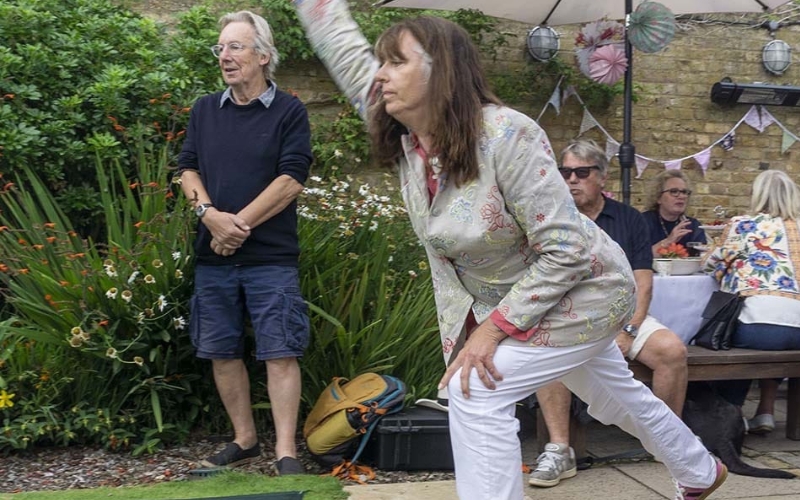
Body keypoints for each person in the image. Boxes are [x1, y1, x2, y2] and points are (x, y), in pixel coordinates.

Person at [292, 2, 726, 499]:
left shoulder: (507, 134)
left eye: (396, 62)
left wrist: (492, 333)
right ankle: (699, 470)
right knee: (613, 398)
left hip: (586, 289)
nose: (381, 76)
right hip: (523, 301)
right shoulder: (414, 143)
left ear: (441, 73)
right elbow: (346, 55)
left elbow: (565, 249)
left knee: (474, 391)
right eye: (382, 63)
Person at [176, 10, 313, 475]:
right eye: (221, 48)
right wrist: (209, 216)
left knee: (280, 350)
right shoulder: (203, 110)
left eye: (235, 46)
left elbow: (291, 180)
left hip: (269, 258)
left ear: (263, 55)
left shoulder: (289, 111)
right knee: (221, 349)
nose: (225, 56)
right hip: (212, 256)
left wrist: (236, 227)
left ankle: (287, 451)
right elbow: (187, 169)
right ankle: (245, 438)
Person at [530, 139, 689, 488]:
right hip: (566, 319)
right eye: (565, 171)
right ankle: (560, 450)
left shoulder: (629, 219)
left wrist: (627, 331)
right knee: (546, 353)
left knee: (672, 351)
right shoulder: (549, 218)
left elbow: (643, 283)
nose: (571, 179)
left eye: (581, 172)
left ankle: (670, 443)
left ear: (601, 177)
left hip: (622, 317)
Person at [702, 170, 800, 435]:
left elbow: (710, 264)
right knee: (779, 337)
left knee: (729, 339)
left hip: (760, 329)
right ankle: (766, 412)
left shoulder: (744, 224)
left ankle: (731, 417)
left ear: (757, 195)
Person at [643, 171, 707, 257]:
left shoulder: (693, 226)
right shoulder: (643, 222)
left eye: (684, 192)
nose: (681, 196)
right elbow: (637, 258)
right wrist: (668, 241)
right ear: (658, 197)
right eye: (674, 191)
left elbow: (703, 258)